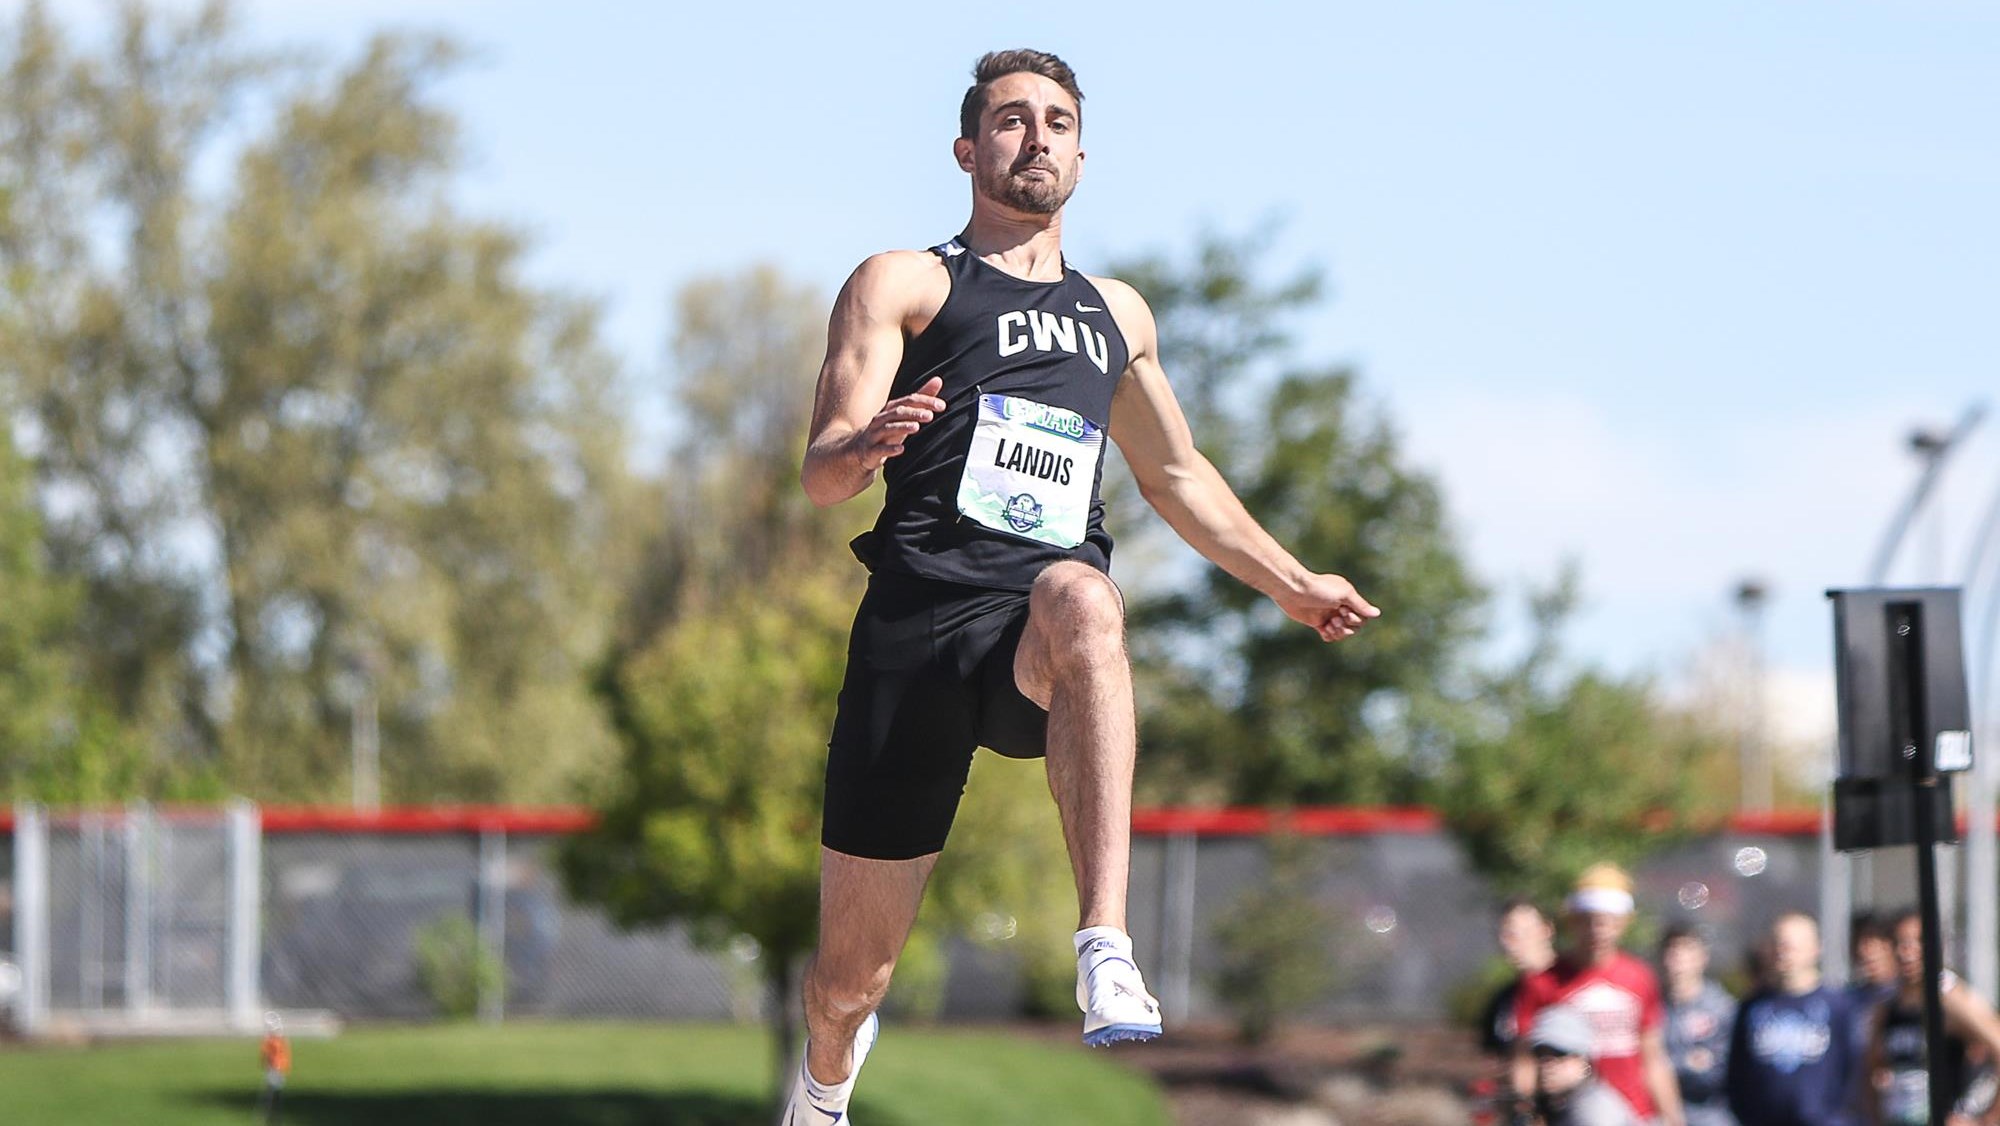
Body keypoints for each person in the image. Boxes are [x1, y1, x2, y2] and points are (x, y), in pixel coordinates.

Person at [785, 48, 1381, 1126]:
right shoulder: (905, 282)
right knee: (847, 982)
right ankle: (823, 1084)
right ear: (968, 149)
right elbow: (821, 472)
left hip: (1030, 635)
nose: (1036, 137)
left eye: (1056, 121)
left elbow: (1176, 475)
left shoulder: (1117, 314)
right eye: (1010, 121)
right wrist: (867, 441)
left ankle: (1103, 941)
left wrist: (1290, 582)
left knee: (1087, 599)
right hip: (915, 634)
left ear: (1081, 152)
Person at [1514, 864, 1684, 1125]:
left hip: (1634, 1113)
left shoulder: (1639, 977)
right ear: (1573, 921)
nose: (1598, 930)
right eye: (1589, 920)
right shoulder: (1544, 982)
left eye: (1608, 921)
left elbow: (1653, 1057)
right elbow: (1525, 1059)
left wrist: (1672, 1116)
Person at [1867, 908, 2000, 1126]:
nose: (1907, 952)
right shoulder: (1888, 1005)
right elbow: (1870, 1067)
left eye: (1918, 942)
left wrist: (1985, 1118)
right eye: (1900, 943)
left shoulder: (1949, 998)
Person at [1724, 911, 1857, 1126]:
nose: (1783, 952)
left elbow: (1853, 1069)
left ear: (1816, 948)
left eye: (1792, 946)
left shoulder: (1838, 1005)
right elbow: (1736, 1072)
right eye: (1778, 944)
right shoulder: (1753, 1006)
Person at [1659, 924, 1737, 1126]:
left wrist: (1668, 1065)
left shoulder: (1722, 1008)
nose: (1678, 958)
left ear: (1703, 957)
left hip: (1710, 1112)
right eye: (1671, 950)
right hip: (1660, 1111)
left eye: (1686, 949)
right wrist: (1687, 1062)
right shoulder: (1652, 1006)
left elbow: (1718, 1070)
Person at [1519, 1005, 1644, 1126]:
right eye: (1540, 1054)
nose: (1547, 1064)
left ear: (1585, 1060)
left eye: (1559, 1054)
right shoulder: (1560, 1103)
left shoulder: (1595, 1114)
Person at [1485, 898, 1560, 1059]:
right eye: (1504, 934)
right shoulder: (1505, 999)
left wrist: (1583, 1070)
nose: (1508, 943)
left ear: (1546, 930)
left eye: (1516, 933)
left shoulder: (1572, 985)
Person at [258, 1011, 290, 1125]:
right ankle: (272, 1115)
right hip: (275, 1067)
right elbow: (266, 1054)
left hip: (276, 1067)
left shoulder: (275, 1040)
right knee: (273, 1092)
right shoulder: (274, 1039)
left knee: (272, 1093)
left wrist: (273, 1064)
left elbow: (271, 1054)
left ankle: (271, 1115)